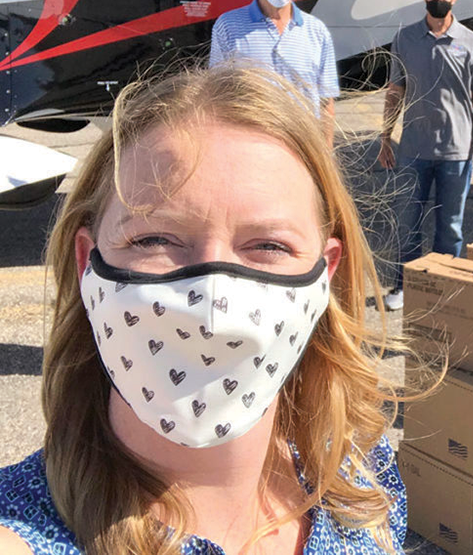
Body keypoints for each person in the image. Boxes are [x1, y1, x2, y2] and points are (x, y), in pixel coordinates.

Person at [0, 67, 409, 554]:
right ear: (88, 261)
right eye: (154, 238)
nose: (213, 300)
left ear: (326, 273)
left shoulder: (360, 481)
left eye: (268, 245)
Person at [378, 0, 473, 311]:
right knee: (408, 221)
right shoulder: (406, 38)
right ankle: (403, 284)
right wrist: (386, 136)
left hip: (456, 151)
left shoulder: (471, 42)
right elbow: (395, 89)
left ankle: (444, 287)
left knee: (451, 226)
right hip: (414, 148)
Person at [210, 0, 340, 147]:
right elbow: (216, 95)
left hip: (303, 149)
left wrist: (326, 155)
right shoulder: (228, 26)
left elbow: (326, 103)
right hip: (248, 147)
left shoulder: (317, 32)